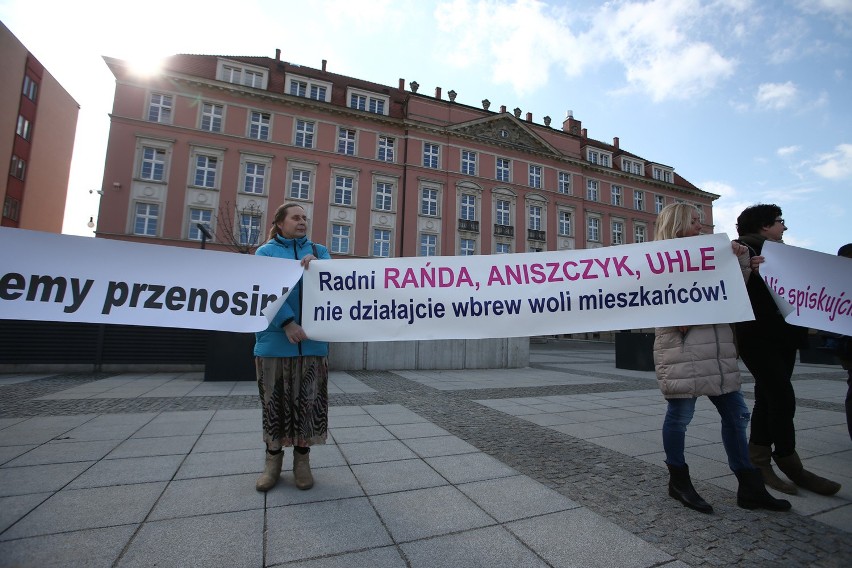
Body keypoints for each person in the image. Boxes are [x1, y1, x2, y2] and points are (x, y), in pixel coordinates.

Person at [653, 203, 790, 513]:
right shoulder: (658, 260)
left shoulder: (711, 253)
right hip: (683, 349)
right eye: (695, 221)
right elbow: (653, 300)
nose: (702, 226)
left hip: (719, 346)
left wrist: (743, 262)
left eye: (701, 221)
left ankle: (749, 485)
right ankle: (679, 480)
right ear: (677, 225)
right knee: (680, 416)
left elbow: (729, 291)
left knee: (736, 415)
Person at [734, 204, 840, 495]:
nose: (784, 227)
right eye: (780, 221)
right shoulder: (742, 249)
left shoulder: (782, 254)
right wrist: (746, 267)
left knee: (767, 398)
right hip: (756, 336)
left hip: (785, 335)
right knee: (782, 397)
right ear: (764, 225)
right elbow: (727, 285)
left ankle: (759, 460)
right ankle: (788, 459)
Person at [253, 203, 331, 492]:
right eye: (296, 217)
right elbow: (262, 290)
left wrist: (320, 267)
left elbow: (335, 286)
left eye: (305, 218)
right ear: (280, 222)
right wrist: (287, 322)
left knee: (308, 407)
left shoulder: (319, 251)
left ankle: (302, 462)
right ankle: (272, 462)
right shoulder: (266, 252)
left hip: (312, 345)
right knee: (274, 407)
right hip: (275, 344)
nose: (302, 222)